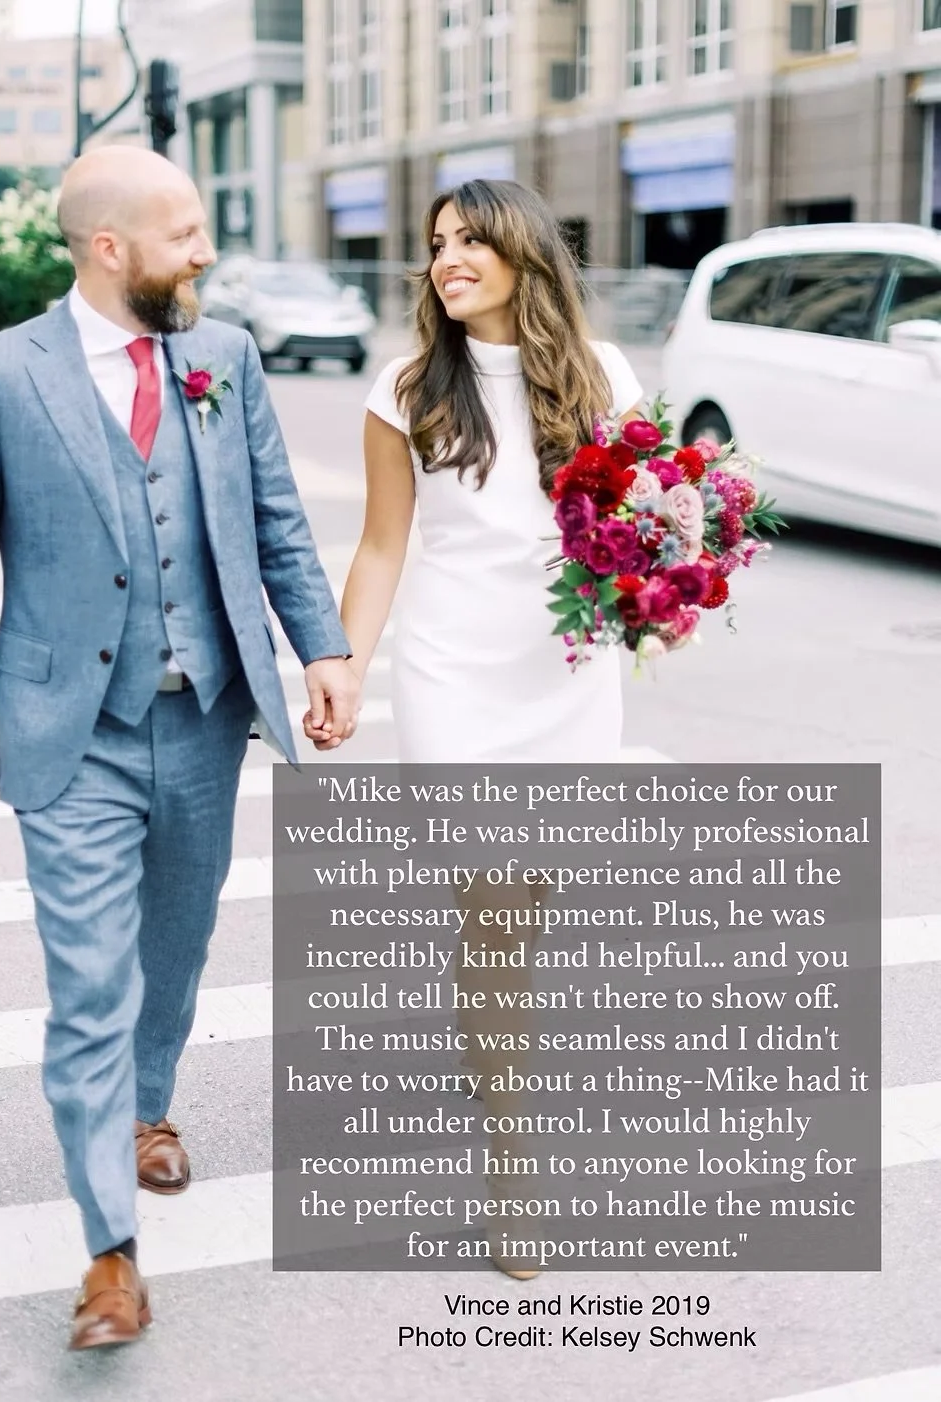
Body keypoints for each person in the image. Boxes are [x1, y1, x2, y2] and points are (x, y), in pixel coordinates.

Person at [0, 145, 361, 1349]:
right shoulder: (0, 377)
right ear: (110, 249)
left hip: (207, 712)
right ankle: (109, 1251)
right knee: (91, 982)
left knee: (176, 943)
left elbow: (274, 517)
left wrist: (320, 649)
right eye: (184, 234)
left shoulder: (223, 359)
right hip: (70, 730)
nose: (205, 252)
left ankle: (147, 1108)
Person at [306, 178, 643, 1280]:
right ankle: (514, 1173)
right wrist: (344, 669)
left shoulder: (605, 378)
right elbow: (382, 549)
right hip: (454, 676)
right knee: (494, 917)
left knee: (518, 917)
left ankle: (490, 1052)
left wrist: (662, 596)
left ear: (522, 253)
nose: (445, 258)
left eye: (468, 241)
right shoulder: (404, 386)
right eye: (435, 244)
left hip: (565, 675)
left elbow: (638, 533)